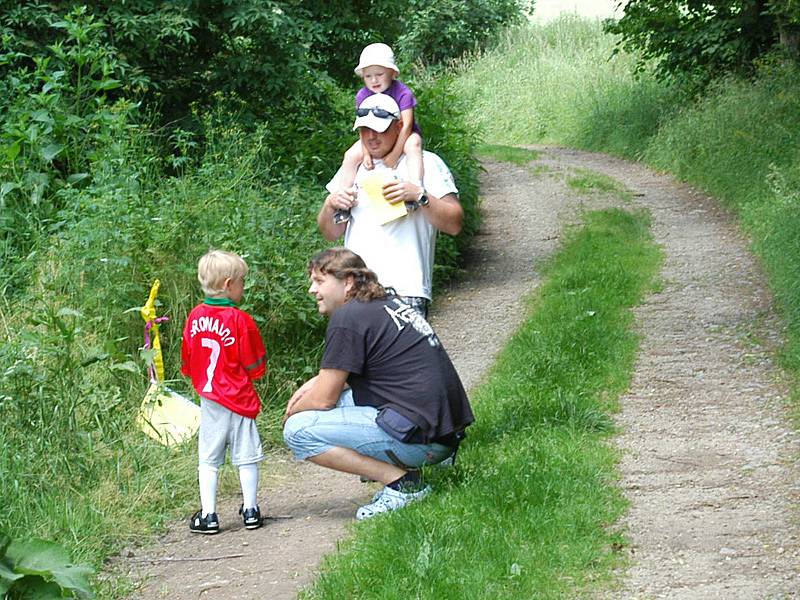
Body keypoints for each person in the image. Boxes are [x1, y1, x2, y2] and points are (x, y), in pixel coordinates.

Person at [283, 248, 474, 520]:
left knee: (298, 430)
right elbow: (343, 374)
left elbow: (323, 398)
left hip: (426, 441)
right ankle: (426, 467)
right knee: (332, 403)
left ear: (347, 281)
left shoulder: (347, 318)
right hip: (443, 433)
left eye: (320, 281)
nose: (312, 290)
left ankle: (404, 485)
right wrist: (310, 386)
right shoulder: (384, 304)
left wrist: (295, 408)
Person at [318, 92, 464, 318]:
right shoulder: (354, 167)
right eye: (365, 129)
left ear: (399, 126)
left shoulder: (426, 163)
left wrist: (419, 194)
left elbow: (454, 223)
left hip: (406, 290)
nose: (372, 136)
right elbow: (330, 232)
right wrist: (330, 204)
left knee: (403, 355)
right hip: (355, 290)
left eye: (380, 129)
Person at [181, 250, 268, 534]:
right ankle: (251, 510)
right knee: (246, 455)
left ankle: (209, 515)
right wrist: (254, 372)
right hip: (239, 398)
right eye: (242, 282)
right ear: (229, 284)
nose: (244, 287)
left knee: (208, 457)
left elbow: (189, 356)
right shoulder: (240, 320)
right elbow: (255, 363)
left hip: (210, 398)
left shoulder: (194, 316)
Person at [335, 42, 424, 210]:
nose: (374, 80)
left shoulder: (403, 93)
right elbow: (363, 125)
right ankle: (343, 198)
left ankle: (415, 188)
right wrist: (366, 154)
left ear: (392, 73)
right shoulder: (362, 95)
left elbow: (406, 124)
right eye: (368, 76)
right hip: (374, 137)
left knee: (414, 145)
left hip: (403, 135)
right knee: (350, 155)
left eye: (379, 74)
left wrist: (396, 153)